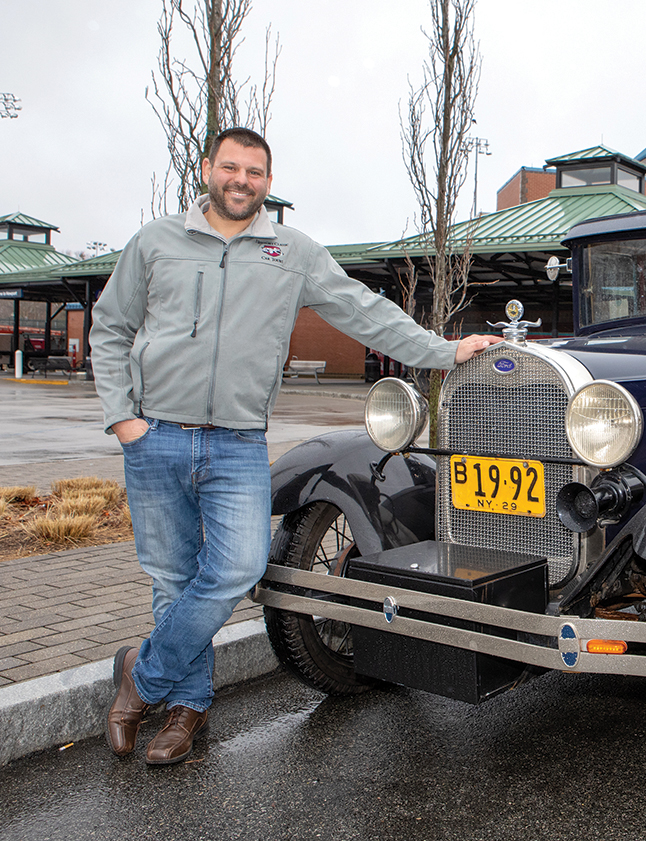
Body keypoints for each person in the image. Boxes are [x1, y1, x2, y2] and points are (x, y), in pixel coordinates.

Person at [90, 127, 500, 765]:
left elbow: (364, 311)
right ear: (206, 170)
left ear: (268, 182)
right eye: (230, 168)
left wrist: (444, 352)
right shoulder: (156, 243)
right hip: (156, 436)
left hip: (237, 445)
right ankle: (188, 707)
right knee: (172, 579)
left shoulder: (292, 252)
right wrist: (124, 421)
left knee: (238, 569)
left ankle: (138, 678)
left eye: (254, 172)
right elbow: (110, 328)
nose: (241, 181)